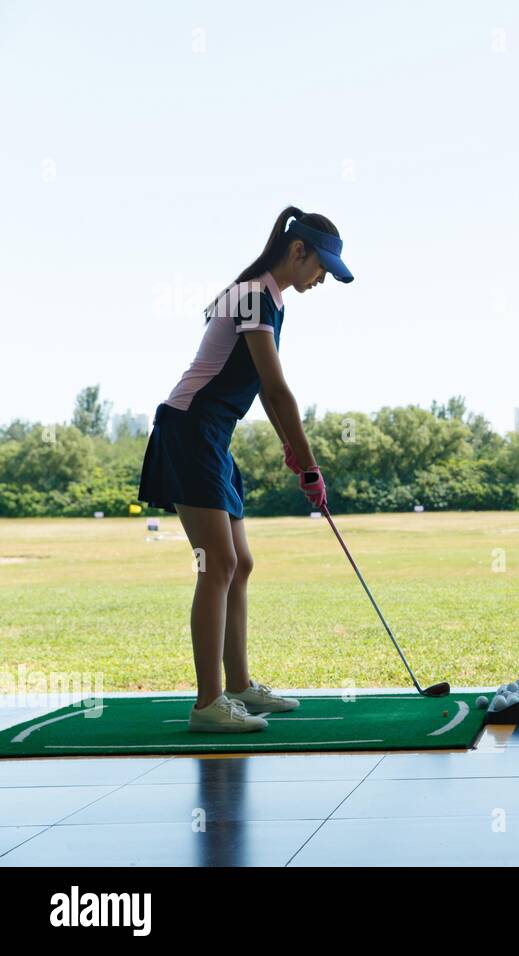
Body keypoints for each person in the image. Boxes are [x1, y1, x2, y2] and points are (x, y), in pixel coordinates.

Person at [137, 207, 352, 733]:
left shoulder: (267, 298)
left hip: (213, 434)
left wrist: (291, 448)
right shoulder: (254, 294)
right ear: (297, 251)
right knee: (217, 563)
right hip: (191, 430)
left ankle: (237, 686)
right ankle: (208, 703)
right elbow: (277, 390)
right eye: (320, 265)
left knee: (241, 563)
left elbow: (263, 393)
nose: (321, 277)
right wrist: (309, 465)